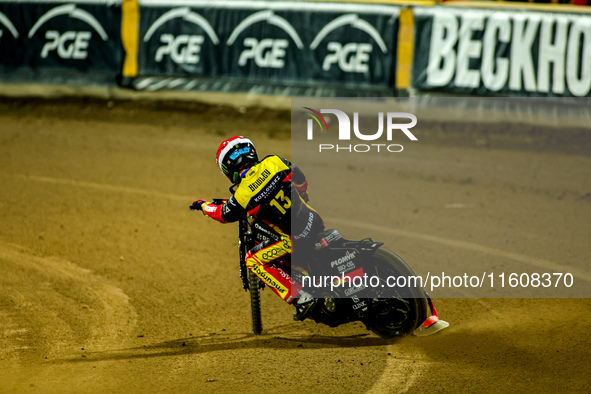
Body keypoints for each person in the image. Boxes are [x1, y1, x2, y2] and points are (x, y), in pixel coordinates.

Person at [190, 136, 325, 321]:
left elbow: (222, 214)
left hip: (293, 240)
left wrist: (203, 205)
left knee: (252, 260)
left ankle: (301, 298)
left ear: (228, 169)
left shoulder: (243, 193)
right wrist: (303, 196)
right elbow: (300, 179)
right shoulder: (274, 161)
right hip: (315, 221)